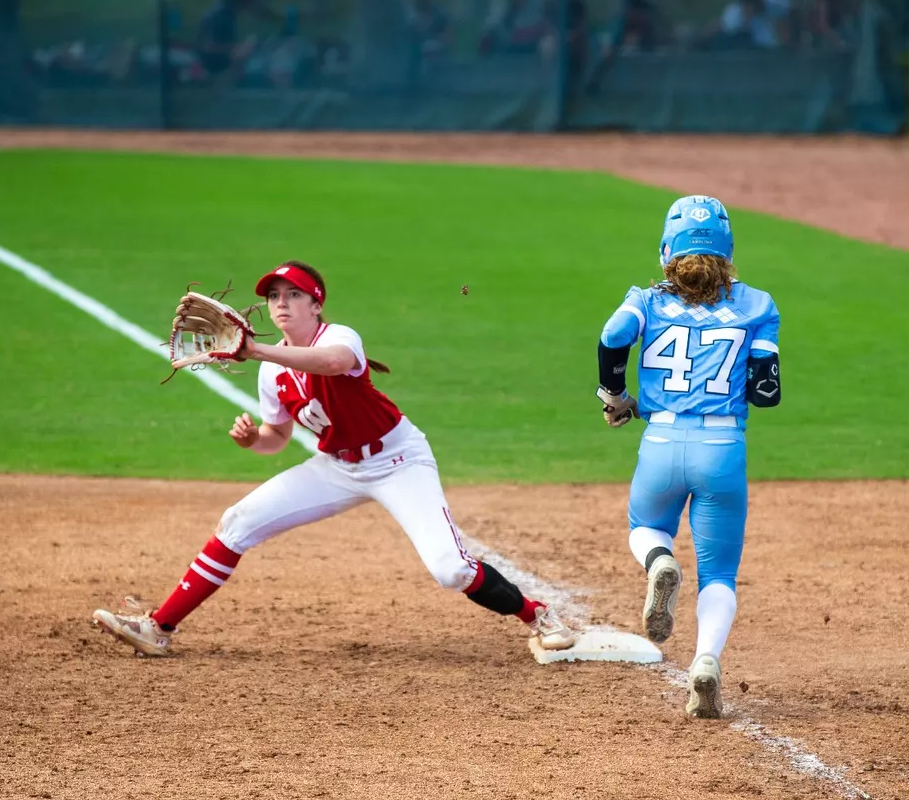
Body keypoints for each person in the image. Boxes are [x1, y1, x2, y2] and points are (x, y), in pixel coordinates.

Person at [92, 261, 578, 657]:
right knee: (237, 522)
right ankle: (159, 627)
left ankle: (538, 615)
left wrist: (257, 350)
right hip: (337, 469)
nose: (281, 303)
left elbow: (333, 363)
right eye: (273, 297)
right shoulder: (271, 374)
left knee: (449, 570)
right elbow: (275, 439)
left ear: (316, 303)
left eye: (293, 295)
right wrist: (249, 441)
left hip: (399, 461)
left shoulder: (338, 336)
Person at [593, 197, 781, 718]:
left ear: (665, 252)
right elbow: (767, 394)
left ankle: (660, 562)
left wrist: (615, 398)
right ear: (728, 252)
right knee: (719, 572)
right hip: (723, 449)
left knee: (645, 527)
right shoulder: (758, 305)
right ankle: (704, 664)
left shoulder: (646, 301)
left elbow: (612, 337)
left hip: (660, 442)